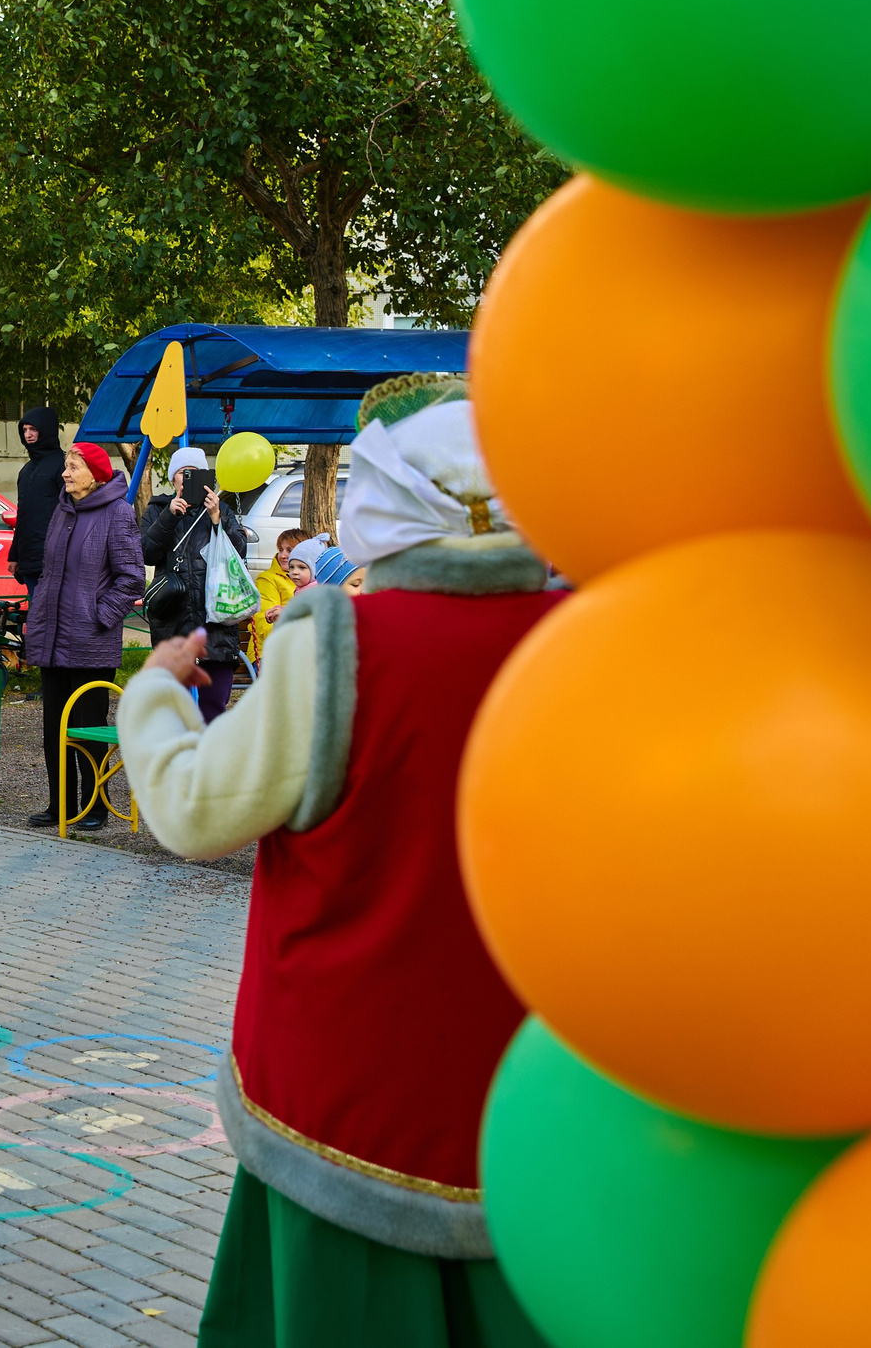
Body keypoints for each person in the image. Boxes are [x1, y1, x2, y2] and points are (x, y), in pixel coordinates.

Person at [117, 376, 563, 1348]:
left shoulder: (343, 645)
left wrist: (151, 695)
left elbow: (195, 810)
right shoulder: (594, 635)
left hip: (349, 1097)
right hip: (544, 1098)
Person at [22, 442, 145, 831]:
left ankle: (96, 806)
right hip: (53, 637)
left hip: (90, 642)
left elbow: (131, 579)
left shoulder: (118, 513)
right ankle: (60, 805)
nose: (65, 473)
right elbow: (49, 572)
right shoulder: (63, 510)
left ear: (95, 474)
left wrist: (98, 616)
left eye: (73, 467)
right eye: (66, 466)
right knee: (53, 728)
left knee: (88, 728)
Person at [144, 444, 254, 722]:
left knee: (213, 706)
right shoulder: (158, 508)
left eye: (194, 472)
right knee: (174, 709)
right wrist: (169, 515)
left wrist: (218, 518)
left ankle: (209, 763)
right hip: (174, 619)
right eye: (182, 472)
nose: (187, 478)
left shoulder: (221, 509)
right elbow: (146, 552)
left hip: (215, 621)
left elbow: (239, 552)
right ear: (172, 479)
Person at [9, 406, 65, 595]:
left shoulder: (64, 465)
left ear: (46, 429)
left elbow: (70, 512)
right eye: (24, 430)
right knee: (38, 617)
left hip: (55, 558)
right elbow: (22, 515)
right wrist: (14, 555)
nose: (28, 434)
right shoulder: (26, 470)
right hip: (29, 559)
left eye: (33, 429)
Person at [249, 528, 309, 663]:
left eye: (290, 550)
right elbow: (264, 624)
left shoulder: (312, 581)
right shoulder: (267, 579)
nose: (283, 555)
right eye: (281, 550)